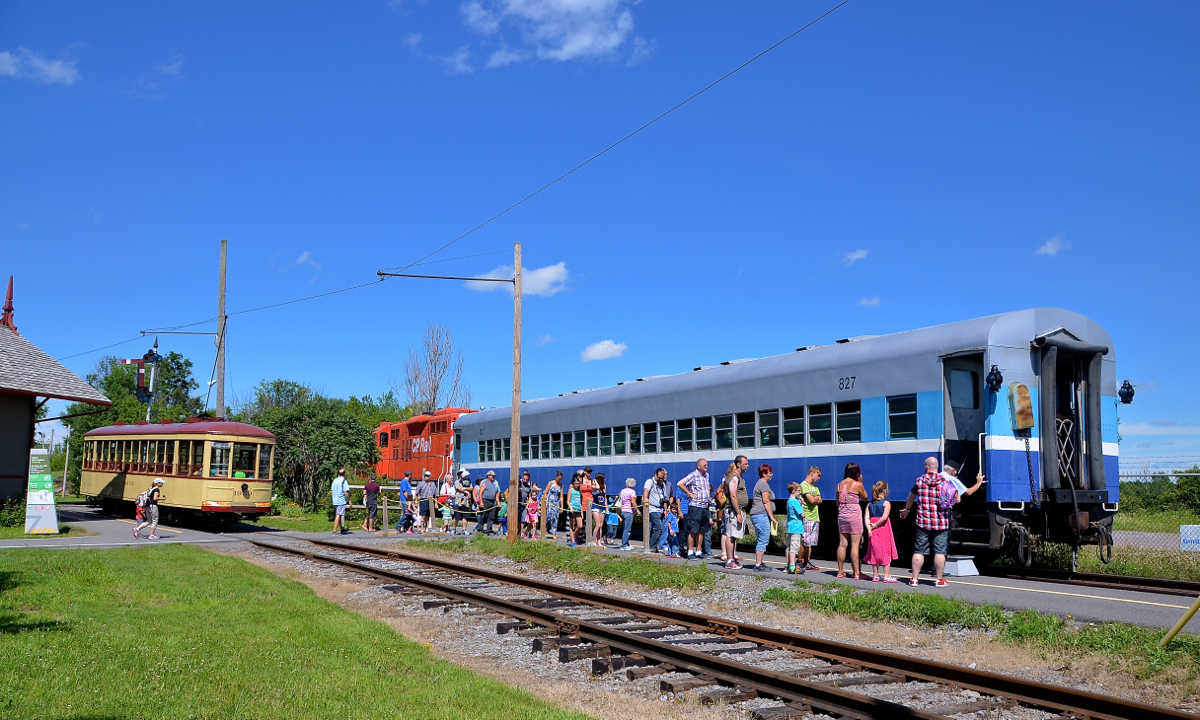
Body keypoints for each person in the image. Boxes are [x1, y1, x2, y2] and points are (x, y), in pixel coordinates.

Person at [900, 457, 953, 587]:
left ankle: (914, 579)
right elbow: (955, 498)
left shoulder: (919, 481)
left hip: (923, 521)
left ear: (927, 467)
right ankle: (939, 580)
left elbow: (911, 497)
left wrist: (907, 510)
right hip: (941, 522)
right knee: (940, 552)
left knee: (919, 551)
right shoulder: (945, 481)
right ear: (937, 467)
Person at [836, 463, 868, 579]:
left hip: (842, 515)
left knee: (842, 545)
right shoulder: (858, 484)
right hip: (854, 515)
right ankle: (857, 573)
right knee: (855, 545)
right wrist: (861, 482)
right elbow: (865, 498)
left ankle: (840, 571)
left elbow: (838, 502)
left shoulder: (839, 485)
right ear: (856, 472)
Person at [677, 458, 714, 560]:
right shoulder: (693, 475)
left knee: (702, 530)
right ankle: (690, 552)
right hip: (695, 506)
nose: (707, 466)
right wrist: (689, 493)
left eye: (707, 465)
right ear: (699, 466)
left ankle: (698, 551)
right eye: (705, 465)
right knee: (693, 529)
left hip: (704, 506)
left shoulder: (706, 475)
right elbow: (680, 483)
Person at [863, 481, 898, 582]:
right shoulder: (886, 503)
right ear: (885, 491)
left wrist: (869, 528)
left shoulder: (869, 504)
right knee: (886, 552)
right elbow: (884, 517)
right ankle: (886, 576)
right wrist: (876, 525)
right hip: (883, 529)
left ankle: (875, 575)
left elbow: (866, 518)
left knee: (874, 552)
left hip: (873, 532)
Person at [721, 459, 750, 569]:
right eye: (745, 464)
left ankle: (732, 558)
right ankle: (729, 561)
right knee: (731, 535)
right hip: (733, 511)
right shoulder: (734, 477)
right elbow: (733, 496)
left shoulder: (738, 477)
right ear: (738, 464)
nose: (747, 466)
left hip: (737, 510)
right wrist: (738, 513)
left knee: (734, 536)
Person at [748, 464, 775, 572]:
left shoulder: (761, 484)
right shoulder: (763, 485)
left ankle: (760, 562)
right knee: (763, 539)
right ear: (764, 473)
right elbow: (766, 501)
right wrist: (772, 517)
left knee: (762, 539)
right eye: (770, 472)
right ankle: (758, 564)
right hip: (761, 514)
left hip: (759, 515)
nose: (771, 475)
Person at [799, 467, 822, 572]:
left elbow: (819, 500)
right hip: (807, 516)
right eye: (818, 475)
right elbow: (811, 500)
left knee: (810, 542)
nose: (819, 478)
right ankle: (799, 560)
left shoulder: (815, 486)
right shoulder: (804, 485)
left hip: (815, 517)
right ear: (812, 473)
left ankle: (807, 561)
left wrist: (815, 500)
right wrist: (815, 499)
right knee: (805, 541)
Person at [644, 468, 669, 553]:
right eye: (659, 478)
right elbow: (646, 490)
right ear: (655, 474)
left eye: (662, 478)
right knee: (658, 528)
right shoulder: (650, 481)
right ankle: (652, 546)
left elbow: (664, 498)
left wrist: (665, 510)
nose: (661, 480)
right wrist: (646, 498)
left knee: (659, 529)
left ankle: (655, 546)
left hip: (661, 509)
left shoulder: (663, 485)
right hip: (653, 509)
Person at [785, 482, 805, 574]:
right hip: (796, 527)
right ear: (794, 491)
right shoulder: (795, 502)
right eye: (799, 491)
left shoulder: (789, 501)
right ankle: (793, 567)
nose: (800, 493)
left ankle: (788, 564)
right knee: (795, 547)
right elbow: (802, 514)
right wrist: (802, 504)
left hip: (790, 526)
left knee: (789, 546)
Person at [475, 470, 500, 534]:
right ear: (489, 476)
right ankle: (480, 529)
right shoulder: (484, 483)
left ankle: (489, 529)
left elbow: (497, 493)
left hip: (492, 501)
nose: (493, 477)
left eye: (494, 476)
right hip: (485, 501)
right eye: (492, 476)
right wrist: (481, 502)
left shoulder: (495, 483)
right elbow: (480, 492)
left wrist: (498, 502)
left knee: (491, 517)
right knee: (483, 516)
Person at [618, 478, 638, 550]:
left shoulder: (622, 491)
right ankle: (624, 545)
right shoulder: (632, 492)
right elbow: (633, 501)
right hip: (629, 511)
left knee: (625, 528)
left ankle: (626, 543)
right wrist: (637, 509)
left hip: (623, 510)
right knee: (627, 529)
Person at [590, 473, 609, 548]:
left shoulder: (604, 486)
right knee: (597, 525)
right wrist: (595, 482)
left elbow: (605, 498)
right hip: (596, 507)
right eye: (603, 478)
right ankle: (593, 541)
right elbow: (595, 489)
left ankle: (599, 542)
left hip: (602, 507)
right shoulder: (594, 486)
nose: (604, 480)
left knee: (601, 526)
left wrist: (606, 508)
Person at [452, 470, 473, 535]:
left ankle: (464, 529)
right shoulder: (457, 482)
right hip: (458, 501)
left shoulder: (469, 481)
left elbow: (471, 488)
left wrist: (465, 489)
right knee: (457, 516)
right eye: (461, 473)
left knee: (465, 516)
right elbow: (460, 489)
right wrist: (467, 492)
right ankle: (454, 528)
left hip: (466, 501)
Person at [331, 468, 351, 535]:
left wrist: (333, 499)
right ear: (344, 473)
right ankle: (334, 529)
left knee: (338, 514)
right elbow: (345, 492)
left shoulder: (335, 480)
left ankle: (342, 528)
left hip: (335, 500)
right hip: (341, 500)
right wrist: (349, 500)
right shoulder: (344, 481)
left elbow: (332, 491)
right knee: (338, 515)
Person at [544, 471, 564, 539]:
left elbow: (561, 496)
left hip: (556, 503)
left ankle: (554, 533)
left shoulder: (561, 485)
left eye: (560, 479)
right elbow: (546, 493)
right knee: (549, 518)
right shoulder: (551, 483)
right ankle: (548, 529)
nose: (559, 480)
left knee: (555, 519)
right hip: (550, 503)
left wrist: (562, 506)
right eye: (558, 478)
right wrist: (545, 502)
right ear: (556, 477)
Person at [567, 474, 583, 546]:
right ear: (573, 483)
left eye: (578, 483)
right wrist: (570, 507)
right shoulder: (571, 490)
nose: (577, 485)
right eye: (575, 483)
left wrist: (582, 511)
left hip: (578, 509)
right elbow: (568, 501)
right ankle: (573, 541)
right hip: (572, 509)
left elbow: (581, 502)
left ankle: (574, 536)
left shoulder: (579, 491)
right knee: (571, 525)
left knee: (580, 525)